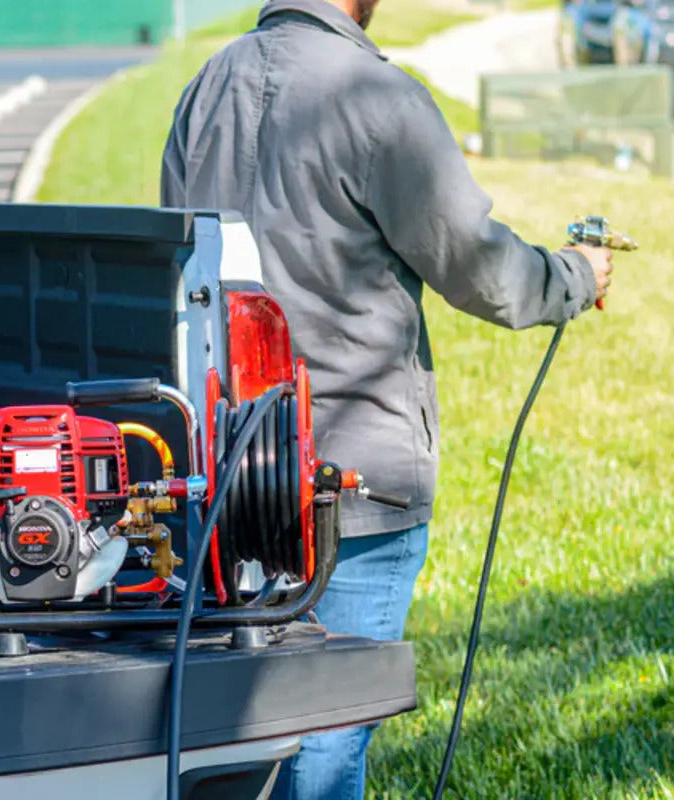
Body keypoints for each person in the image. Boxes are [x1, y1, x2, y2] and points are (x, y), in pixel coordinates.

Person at [160, 1, 613, 797]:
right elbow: (480, 269)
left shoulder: (205, 86)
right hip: (357, 491)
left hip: (224, 479)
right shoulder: (379, 98)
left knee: (237, 744)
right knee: (327, 747)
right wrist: (574, 274)